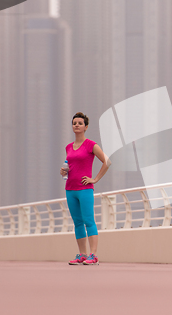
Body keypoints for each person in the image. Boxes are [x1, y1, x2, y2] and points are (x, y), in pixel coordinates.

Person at [60, 112, 110, 265]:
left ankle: (93, 255)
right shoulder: (68, 147)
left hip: (85, 189)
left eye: (80, 123)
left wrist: (94, 179)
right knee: (77, 222)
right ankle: (82, 254)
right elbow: (70, 166)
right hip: (70, 189)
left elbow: (107, 162)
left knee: (89, 220)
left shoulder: (91, 145)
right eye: (74, 123)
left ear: (86, 127)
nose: (77, 125)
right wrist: (63, 171)